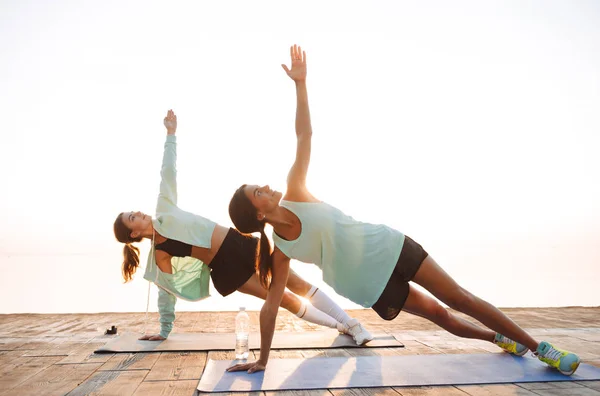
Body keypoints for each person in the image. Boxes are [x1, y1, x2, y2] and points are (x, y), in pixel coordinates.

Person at [227, 44, 581, 375]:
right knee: (442, 316)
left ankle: (540, 348)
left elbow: (304, 136)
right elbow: (271, 306)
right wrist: (262, 360)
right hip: (367, 284)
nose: (267, 186)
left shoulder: (296, 190)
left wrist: (301, 85)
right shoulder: (281, 252)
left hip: (387, 246)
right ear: (258, 214)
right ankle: (498, 338)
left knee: (458, 298)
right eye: (258, 191)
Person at [113, 109, 372, 343]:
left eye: (133, 212)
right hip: (225, 269)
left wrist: (171, 134)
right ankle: (340, 327)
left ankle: (351, 323)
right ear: (134, 234)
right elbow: (166, 291)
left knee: (298, 284)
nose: (138, 213)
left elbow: (168, 172)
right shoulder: (160, 253)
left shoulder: (165, 208)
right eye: (132, 218)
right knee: (282, 299)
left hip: (239, 242)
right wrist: (164, 329)